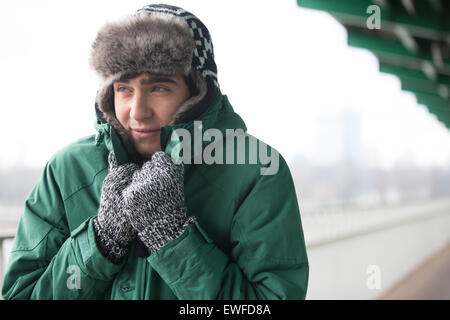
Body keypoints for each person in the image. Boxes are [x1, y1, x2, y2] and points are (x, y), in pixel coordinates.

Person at [1, 4, 309, 300]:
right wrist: (100, 242)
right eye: (124, 88)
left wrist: (173, 239)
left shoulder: (256, 171)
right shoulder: (67, 169)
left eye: (159, 88)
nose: (137, 111)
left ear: (199, 92)